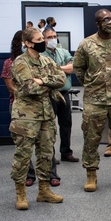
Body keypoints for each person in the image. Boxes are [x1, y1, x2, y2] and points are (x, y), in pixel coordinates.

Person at [73, 9, 111, 192]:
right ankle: (91, 174)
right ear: (97, 23)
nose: (110, 22)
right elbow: (79, 69)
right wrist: (92, 84)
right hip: (94, 100)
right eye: (105, 20)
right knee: (91, 138)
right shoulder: (86, 44)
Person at [10, 27, 65, 210]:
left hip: (46, 114)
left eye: (43, 37)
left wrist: (42, 81)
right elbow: (28, 89)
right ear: (27, 43)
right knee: (23, 155)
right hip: (26, 117)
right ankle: (21, 193)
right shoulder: (20, 62)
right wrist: (48, 83)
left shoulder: (46, 60)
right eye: (39, 38)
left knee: (46, 154)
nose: (43, 41)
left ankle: (44, 190)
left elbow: (62, 79)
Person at [44, 25, 78, 163]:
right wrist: (64, 69)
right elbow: (45, 73)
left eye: (54, 36)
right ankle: (49, 155)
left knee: (66, 124)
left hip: (64, 93)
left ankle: (66, 152)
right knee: (48, 126)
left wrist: (56, 68)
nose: (52, 39)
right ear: (44, 39)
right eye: (49, 37)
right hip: (48, 95)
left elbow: (73, 68)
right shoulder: (41, 55)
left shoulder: (62, 52)